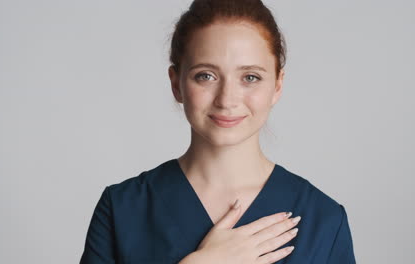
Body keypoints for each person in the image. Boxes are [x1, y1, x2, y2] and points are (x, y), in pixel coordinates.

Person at [79, 0, 356, 263]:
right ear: (176, 84)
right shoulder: (122, 210)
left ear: (278, 85)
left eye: (250, 77)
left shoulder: (324, 219)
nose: (227, 99)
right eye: (206, 76)